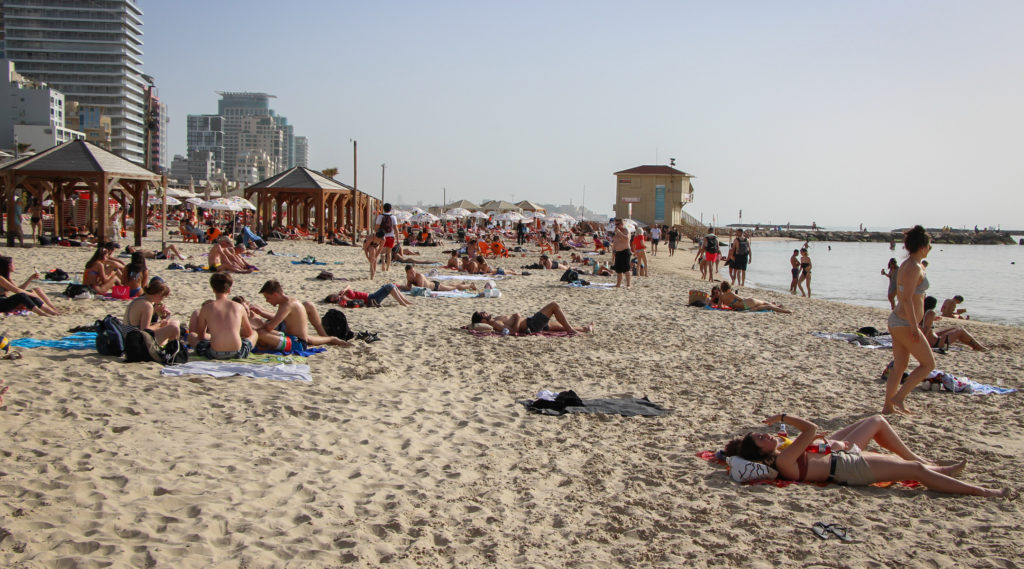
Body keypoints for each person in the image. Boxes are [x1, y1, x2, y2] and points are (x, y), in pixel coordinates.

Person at [725, 414, 1007, 496]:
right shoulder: (784, 460)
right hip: (848, 468)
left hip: (841, 460)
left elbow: (813, 439)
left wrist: (831, 445)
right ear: (761, 453)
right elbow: (810, 429)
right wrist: (785, 417)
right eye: (763, 438)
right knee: (914, 471)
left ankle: (936, 469)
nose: (768, 435)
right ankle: (983, 491)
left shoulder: (783, 454)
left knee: (882, 428)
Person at [884, 225, 934, 415]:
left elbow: (902, 294)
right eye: (929, 245)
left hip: (898, 320)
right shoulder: (912, 266)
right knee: (928, 364)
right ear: (922, 246)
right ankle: (899, 398)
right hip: (904, 323)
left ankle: (887, 406)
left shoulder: (909, 264)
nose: (930, 249)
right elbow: (905, 298)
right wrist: (915, 326)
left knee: (899, 366)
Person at [255, 279, 350, 350]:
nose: (267, 301)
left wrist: (254, 331)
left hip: (297, 343)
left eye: (268, 298)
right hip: (295, 338)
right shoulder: (288, 302)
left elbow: (270, 327)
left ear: (275, 294)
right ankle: (330, 339)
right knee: (261, 332)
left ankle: (330, 339)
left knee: (261, 334)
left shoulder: (287, 305)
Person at [189, 273, 258, 359]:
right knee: (255, 333)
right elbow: (248, 333)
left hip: (214, 353)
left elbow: (201, 336)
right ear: (229, 290)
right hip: (237, 353)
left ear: (213, 289)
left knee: (191, 336)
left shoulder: (206, 308)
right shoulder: (239, 307)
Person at [471, 302, 594, 336]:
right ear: (483, 321)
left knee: (557, 326)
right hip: (532, 324)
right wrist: (518, 317)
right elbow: (513, 332)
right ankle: (571, 330)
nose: (485, 312)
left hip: (531, 323)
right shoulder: (496, 323)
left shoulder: (495, 320)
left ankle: (585, 328)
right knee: (554, 306)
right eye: (483, 314)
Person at [124, 281, 181, 345]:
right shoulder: (147, 305)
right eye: (162, 296)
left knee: (175, 322)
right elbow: (145, 330)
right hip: (135, 341)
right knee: (174, 329)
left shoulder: (141, 299)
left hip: (131, 336)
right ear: (156, 294)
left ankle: (167, 346)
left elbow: (140, 322)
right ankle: (171, 350)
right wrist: (160, 324)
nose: (163, 299)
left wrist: (162, 315)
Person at [921, 296, 987, 351]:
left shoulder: (921, 312)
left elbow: (924, 325)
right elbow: (926, 329)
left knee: (955, 328)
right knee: (960, 330)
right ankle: (979, 347)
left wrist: (933, 319)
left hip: (932, 339)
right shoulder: (931, 313)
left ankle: (976, 346)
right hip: (935, 343)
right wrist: (924, 345)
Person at [716, 281, 792, 313]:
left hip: (744, 307)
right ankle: (784, 310)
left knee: (766, 306)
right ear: (729, 288)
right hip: (747, 302)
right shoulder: (731, 293)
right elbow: (741, 299)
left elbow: (719, 306)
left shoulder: (721, 296)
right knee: (765, 304)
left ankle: (778, 307)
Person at [327, 284, 412, 307]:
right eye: (334, 300)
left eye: (334, 297)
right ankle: (402, 303)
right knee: (389, 286)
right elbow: (353, 302)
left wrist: (344, 290)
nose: (335, 298)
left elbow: (349, 285)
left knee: (391, 286)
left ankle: (406, 301)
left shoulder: (342, 293)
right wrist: (346, 299)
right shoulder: (342, 300)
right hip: (371, 299)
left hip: (371, 296)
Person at [405, 265, 477, 292]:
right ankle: (461, 283)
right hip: (433, 285)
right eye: (411, 272)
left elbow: (419, 289)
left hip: (435, 287)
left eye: (413, 271)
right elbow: (409, 287)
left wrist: (406, 287)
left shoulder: (419, 276)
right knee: (450, 286)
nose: (413, 273)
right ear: (407, 273)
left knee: (454, 288)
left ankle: (470, 285)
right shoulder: (409, 278)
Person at [374, 203, 398, 274]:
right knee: (389, 252)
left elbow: (376, 227)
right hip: (391, 236)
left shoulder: (380, 216)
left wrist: (377, 233)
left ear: (383, 208)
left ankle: (383, 264)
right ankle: (388, 267)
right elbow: (395, 228)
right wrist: (397, 238)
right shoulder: (393, 217)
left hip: (382, 236)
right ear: (390, 209)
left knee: (382, 252)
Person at [611, 219, 631, 288]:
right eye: (615, 224)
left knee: (626, 269)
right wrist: (613, 252)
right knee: (618, 270)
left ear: (622, 224)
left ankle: (628, 284)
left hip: (625, 251)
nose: (616, 226)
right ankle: (618, 284)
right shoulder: (616, 232)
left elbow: (626, 239)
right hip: (618, 252)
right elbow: (615, 242)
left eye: (618, 224)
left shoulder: (626, 230)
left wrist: (619, 232)